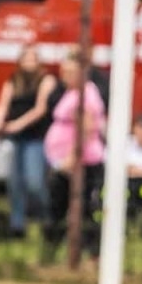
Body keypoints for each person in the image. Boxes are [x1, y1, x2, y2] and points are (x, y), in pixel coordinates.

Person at [0, 44, 58, 236]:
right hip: (16, 139)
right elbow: (3, 105)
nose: (29, 62)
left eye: (33, 58)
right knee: (15, 183)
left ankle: (47, 219)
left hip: (36, 138)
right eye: (26, 58)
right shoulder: (13, 80)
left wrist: (17, 124)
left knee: (35, 182)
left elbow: (40, 109)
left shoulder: (46, 80)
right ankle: (17, 225)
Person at [43, 50, 106, 259]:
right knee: (58, 207)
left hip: (81, 162)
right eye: (64, 71)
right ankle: (52, 252)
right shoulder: (70, 93)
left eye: (70, 71)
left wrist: (72, 157)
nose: (65, 75)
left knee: (84, 209)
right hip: (64, 161)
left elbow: (87, 128)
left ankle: (91, 256)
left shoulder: (86, 94)